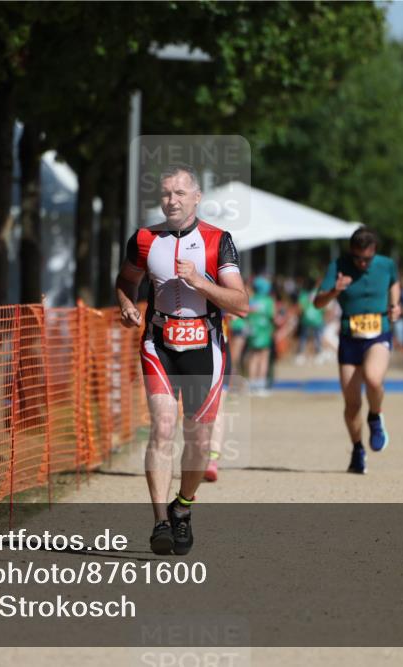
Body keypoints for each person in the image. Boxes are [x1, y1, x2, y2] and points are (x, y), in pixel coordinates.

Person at [115, 165, 248, 556]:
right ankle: (159, 522)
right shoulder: (142, 239)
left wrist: (202, 283)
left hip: (205, 346)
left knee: (199, 439)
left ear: (196, 197)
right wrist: (126, 304)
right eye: (165, 194)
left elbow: (240, 304)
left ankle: (182, 507)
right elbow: (126, 281)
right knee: (162, 427)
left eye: (179, 193)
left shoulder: (218, 241)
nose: (171, 200)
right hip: (158, 344)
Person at [314, 227, 400, 475]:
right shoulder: (338, 265)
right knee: (351, 403)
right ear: (351, 252)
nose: (362, 263)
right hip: (350, 337)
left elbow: (395, 284)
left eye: (367, 259)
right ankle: (357, 449)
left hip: (378, 332)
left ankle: (375, 416)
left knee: (374, 379)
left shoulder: (386, 265)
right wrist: (335, 291)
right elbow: (318, 302)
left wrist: (395, 305)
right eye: (358, 258)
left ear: (375, 253)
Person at [245, 276, 275, 396]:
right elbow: (272, 316)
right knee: (264, 358)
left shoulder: (251, 300)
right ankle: (261, 386)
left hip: (253, 330)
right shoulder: (268, 301)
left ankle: (252, 385)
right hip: (264, 331)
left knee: (253, 357)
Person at [296, 281, 327, 364]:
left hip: (305, 319)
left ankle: (301, 355)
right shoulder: (319, 293)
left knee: (304, 338)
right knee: (317, 338)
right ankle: (318, 354)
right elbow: (324, 307)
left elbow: (300, 307)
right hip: (318, 319)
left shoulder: (303, 294)